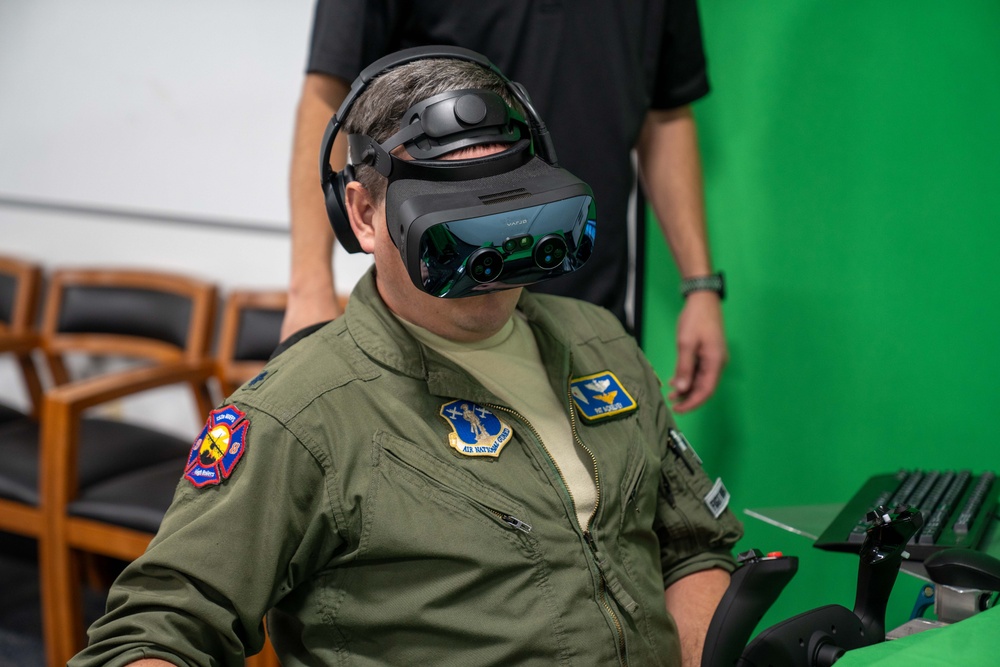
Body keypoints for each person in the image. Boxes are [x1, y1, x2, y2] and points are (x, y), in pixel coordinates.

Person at [69, 51, 742, 667]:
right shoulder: (300, 415)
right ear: (363, 215)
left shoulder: (602, 343)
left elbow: (691, 542)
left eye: (512, 213)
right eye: (453, 231)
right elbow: (155, 628)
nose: (489, 264)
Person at [283, 0, 728, 413]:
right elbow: (329, 92)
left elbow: (666, 113)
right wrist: (310, 290)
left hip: (584, 298)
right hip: (438, 316)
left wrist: (700, 284)